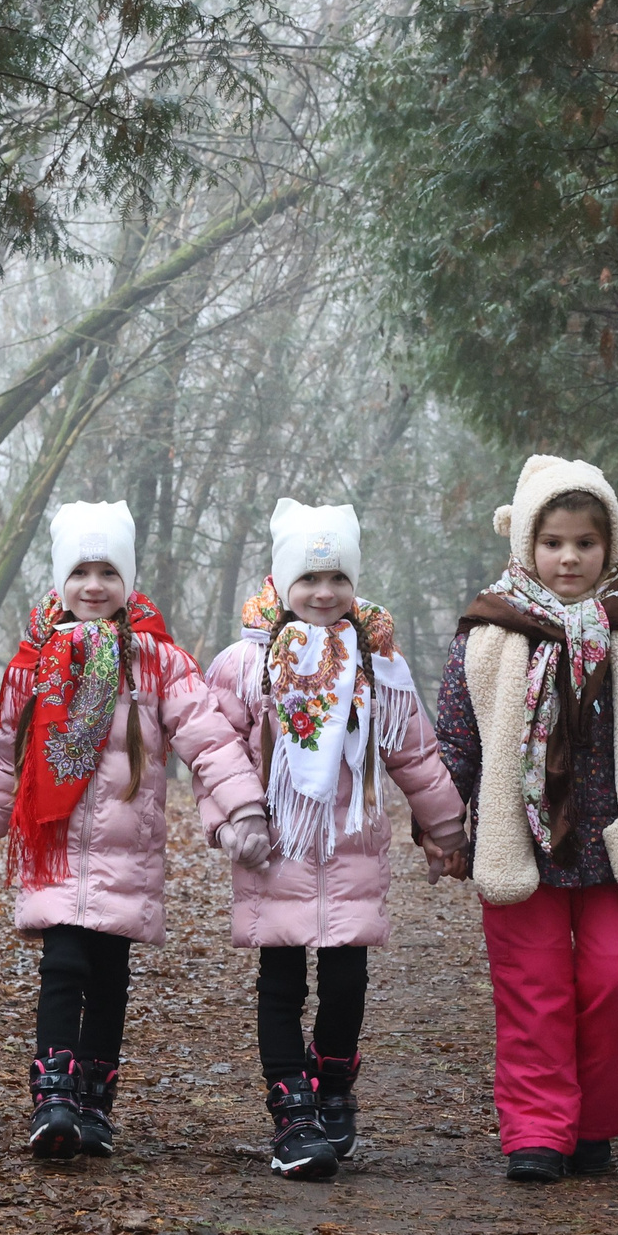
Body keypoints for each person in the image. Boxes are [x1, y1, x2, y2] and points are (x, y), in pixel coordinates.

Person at [434, 456, 618, 1182]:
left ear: (609, 546)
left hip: (614, 840)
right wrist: (442, 825)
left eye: (584, 542)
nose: (568, 557)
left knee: (615, 980)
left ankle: (592, 1124)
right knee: (534, 988)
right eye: (553, 541)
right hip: (517, 834)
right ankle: (537, 1130)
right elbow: (459, 735)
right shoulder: (490, 630)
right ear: (528, 543)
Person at [0, 500, 268, 1160]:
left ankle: (93, 1100)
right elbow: (8, 757)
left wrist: (243, 804)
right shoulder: (34, 662)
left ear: (127, 580)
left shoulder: (159, 663)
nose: (94, 585)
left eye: (108, 570)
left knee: (108, 974)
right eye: (80, 571)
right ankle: (53, 1092)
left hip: (124, 848)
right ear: (60, 581)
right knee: (63, 962)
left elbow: (210, 740)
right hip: (55, 844)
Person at [200, 499, 469, 1180]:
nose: (324, 593)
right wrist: (234, 814)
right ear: (283, 584)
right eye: (309, 580)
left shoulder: (379, 668)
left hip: (352, 846)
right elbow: (215, 748)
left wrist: (445, 826)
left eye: (337, 579)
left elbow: (414, 753)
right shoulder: (247, 664)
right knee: (281, 981)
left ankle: (334, 1077)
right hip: (277, 844)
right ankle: (291, 1112)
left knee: (348, 979)